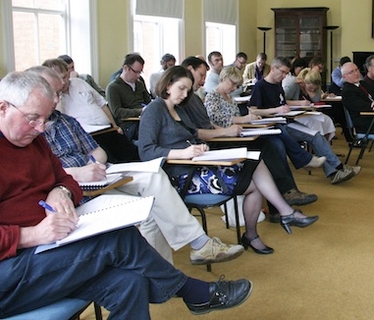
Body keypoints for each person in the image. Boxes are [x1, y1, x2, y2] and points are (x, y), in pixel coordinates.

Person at [0, 71, 252, 318]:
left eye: (45, 119)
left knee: (130, 285)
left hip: (47, 251)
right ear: (3, 108)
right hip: (12, 267)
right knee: (116, 238)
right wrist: (30, 235)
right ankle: (192, 291)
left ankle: (192, 291)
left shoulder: (34, 140)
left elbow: (66, 179)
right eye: (33, 118)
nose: (41, 128)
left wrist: (61, 189)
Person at [30, 65, 243, 266]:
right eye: (54, 94)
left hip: (98, 174)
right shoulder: (31, 129)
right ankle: (190, 252)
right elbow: (37, 173)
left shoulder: (66, 121)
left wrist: (93, 164)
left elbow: (98, 152)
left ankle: (189, 252)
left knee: (153, 178)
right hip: (69, 186)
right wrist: (76, 172)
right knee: (148, 207)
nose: (59, 99)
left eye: (60, 93)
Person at [138, 66, 319, 254]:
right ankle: (283, 215)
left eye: (188, 90)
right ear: (167, 85)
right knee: (256, 170)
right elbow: (146, 151)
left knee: (255, 164)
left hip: (198, 166)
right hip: (181, 176)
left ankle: (258, 230)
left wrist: (199, 147)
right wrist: (183, 153)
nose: (185, 95)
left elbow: (194, 134)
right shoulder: (154, 110)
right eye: (181, 88)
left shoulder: (179, 110)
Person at [180, 56, 321, 208]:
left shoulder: (215, 98)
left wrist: (246, 121)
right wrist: (237, 124)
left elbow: (213, 124)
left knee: (275, 143)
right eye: (232, 84)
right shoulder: (208, 97)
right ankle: (285, 195)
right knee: (269, 146)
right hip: (221, 141)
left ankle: (286, 194)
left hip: (229, 135)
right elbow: (213, 123)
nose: (234, 88)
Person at [248, 57, 360, 185]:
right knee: (313, 135)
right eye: (283, 72)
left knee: (317, 135)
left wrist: (287, 107)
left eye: (286, 73)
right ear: (273, 68)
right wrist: (276, 110)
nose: (285, 76)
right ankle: (337, 169)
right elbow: (253, 111)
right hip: (273, 125)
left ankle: (335, 171)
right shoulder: (260, 86)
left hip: (285, 122)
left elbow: (284, 103)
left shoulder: (277, 85)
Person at [42, 58, 140, 163]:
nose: (63, 82)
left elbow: (101, 103)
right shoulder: (54, 99)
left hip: (108, 129)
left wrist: (114, 125)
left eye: (65, 77)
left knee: (133, 155)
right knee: (113, 161)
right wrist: (58, 92)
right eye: (58, 79)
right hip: (89, 137)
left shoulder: (79, 83)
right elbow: (59, 117)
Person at [105, 52, 152, 141]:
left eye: (140, 72)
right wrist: (140, 111)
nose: (138, 75)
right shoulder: (113, 87)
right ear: (126, 68)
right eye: (136, 72)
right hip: (129, 124)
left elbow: (148, 101)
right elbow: (117, 112)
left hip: (144, 118)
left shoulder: (139, 84)